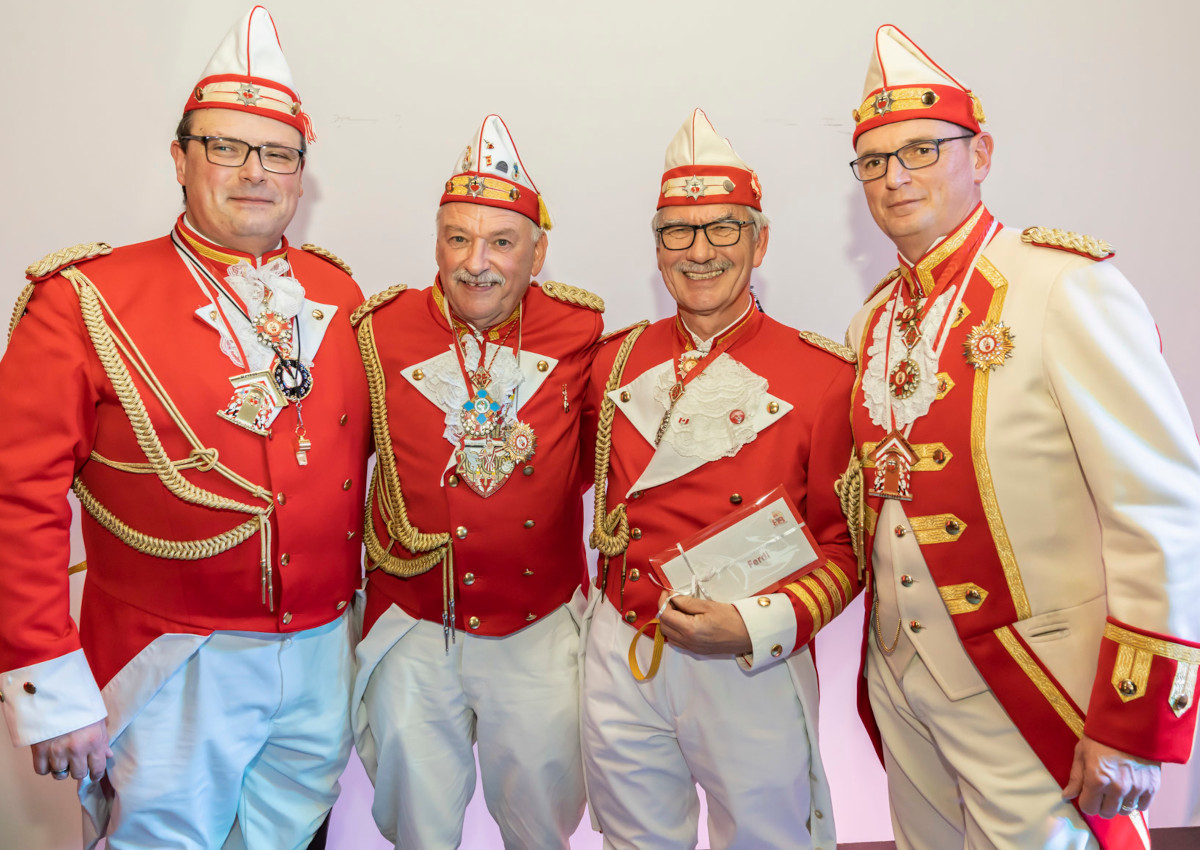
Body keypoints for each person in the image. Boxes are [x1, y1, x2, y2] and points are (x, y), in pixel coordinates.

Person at [0, 7, 369, 848]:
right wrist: (49, 689)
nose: (253, 172)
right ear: (180, 157)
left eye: (277, 153)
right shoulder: (83, 300)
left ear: (302, 174)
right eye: (225, 147)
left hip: (320, 655)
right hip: (169, 662)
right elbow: (15, 500)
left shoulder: (341, 296)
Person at [845, 24, 1200, 850]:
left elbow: (1161, 512)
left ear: (982, 152)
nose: (896, 178)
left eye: (923, 150)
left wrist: (1135, 717)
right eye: (873, 161)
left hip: (1035, 682)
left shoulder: (1063, 287)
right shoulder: (873, 320)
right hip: (903, 680)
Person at [581, 107, 861, 850]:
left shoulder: (825, 377)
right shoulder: (613, 362)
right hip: (623, 650)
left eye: (724, 228)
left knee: (769, 839)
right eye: (678, 230)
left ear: (759, 239)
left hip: (750, 665)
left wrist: (758, 625)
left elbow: (847, 548)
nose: (699, 251)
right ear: (657, 246)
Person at [351, 114, 601, 849]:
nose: (476, 263)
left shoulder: (580, 332)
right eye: (458, 238)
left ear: (538, 251)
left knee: (541, 827)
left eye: (501, 242)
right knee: (417, 827)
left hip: (538, 627)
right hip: (411, 625)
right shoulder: (377, 330)